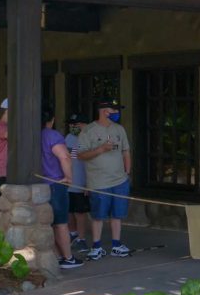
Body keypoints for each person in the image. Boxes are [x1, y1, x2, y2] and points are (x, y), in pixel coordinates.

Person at [76, 99, 132, 259]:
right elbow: (80, 155)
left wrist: (127, 172)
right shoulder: (88, 131)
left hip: (120, 180)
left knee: (118, 215)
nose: (116, 113)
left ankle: (116, 244)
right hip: (98, 182)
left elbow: (126, 151)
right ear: (104, 111)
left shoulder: (119, 129)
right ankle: (96, 246)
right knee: (98, 215)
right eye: (114, 110)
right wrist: (101, 149)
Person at [41, 110, 82, 270]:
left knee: (47, 223)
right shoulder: (52, 135)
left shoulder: (31, 135)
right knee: (60, 222)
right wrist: (69, 178)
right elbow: (64, 156)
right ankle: (68, 257)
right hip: (55, 183)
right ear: (51, 119)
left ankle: (57, 256)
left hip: (38, 185)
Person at [64, 114, 91, 252]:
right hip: (68, 182)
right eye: (72, 124)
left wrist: (89, 183)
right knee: (69, 210)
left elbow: (91, 162)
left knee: (80, 212)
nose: (73, 126)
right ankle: (72, 233)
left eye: (77, 124)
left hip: (81, 183)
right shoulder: (68, 138)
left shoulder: (88, 139)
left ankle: (82, 239)